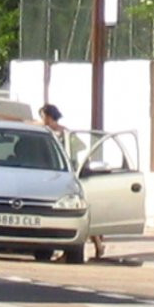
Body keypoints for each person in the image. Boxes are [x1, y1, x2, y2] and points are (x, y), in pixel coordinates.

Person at [38, 104, 105, 260]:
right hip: (58, 175)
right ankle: (96, 245)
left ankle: (97, 245)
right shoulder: (48, 131)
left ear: (49, 117)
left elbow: (80, 147)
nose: (42, 120)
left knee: (80, 211)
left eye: (43, 117)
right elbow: (26, 122)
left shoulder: (64, 133)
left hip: (71, 174)